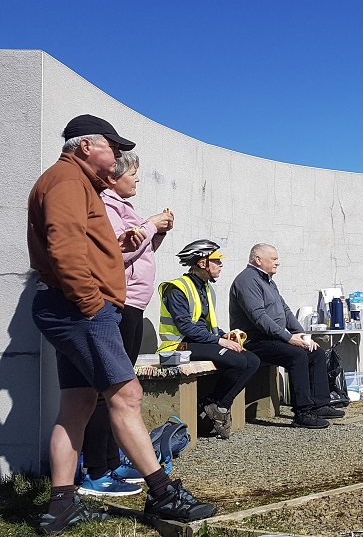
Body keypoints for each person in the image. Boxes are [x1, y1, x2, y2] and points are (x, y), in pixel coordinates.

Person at [28, 115, 216, 534]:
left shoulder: (75, 182)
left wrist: (119, 248)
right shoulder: (67, 182)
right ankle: (164, 495)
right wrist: (92, 304)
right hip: (80, 310)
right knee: (127, 394)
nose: (115, 156)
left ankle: (61, 507)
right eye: (111, 147)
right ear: (85, 146)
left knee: (76, 405)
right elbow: (64, 247)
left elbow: (85, 245)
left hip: (70, 308)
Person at [77, 151, 174, 497]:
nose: (137, 179)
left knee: (118, 386)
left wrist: (157, 232)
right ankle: (96, 470)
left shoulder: (125, 208)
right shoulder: (106, 206)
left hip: (132, 304)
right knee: (110, 390)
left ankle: (111, 461)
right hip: (117, 303)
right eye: (133, 173)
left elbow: (140, 250)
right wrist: (151, 224)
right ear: (114, 177)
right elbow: (116, 253)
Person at [230, 243, 341, 428]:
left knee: (315, 352)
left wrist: (301, 334)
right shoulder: (247, 281)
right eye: (273, 259)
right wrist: (289, 338)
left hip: (272, 338)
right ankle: (302, 413)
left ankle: (319, 404)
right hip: (254, 340)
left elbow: (285, 310)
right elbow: (259, 317)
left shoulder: (268, 282)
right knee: (296, 355)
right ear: (258, 259)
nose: (278, 263)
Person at [158, 240, 261, 438]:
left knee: (253, 360)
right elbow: (185, 326)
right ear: (202, 263)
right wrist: (219, 341)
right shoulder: (177, 288)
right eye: (216, 261)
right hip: (179, 345)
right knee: (238, 361)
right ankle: (215, 405)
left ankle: (218, 405)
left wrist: (223, 334)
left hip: (198, 342)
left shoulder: (205, 288)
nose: (221, 265)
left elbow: (206, 325)